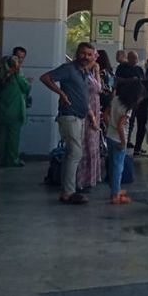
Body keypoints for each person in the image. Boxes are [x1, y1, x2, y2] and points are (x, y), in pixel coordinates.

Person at [40, 42, 97, 205]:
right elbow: (45, 78)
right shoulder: (69, 69)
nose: (85, 57)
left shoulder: (84, 72)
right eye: (83, 53)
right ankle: (68, 192)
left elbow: (83, 96)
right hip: (69, 116)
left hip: (80, 117)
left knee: (70, 154)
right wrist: (61, 93)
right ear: (77, 53)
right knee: (75, 153)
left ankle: (67, 188)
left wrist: (91, 114)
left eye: (89, 54)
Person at [103, 78, 144, 204]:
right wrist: (123, 141)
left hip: (109, 136)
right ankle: (115, 195)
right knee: (118, 167)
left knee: (112, 165)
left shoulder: (115, 100)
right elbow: (121, 126)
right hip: (118, 139)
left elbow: (105, 115)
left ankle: (115, 189)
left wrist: (109, 126)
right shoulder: (127, 109)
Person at [0, 54, 31, 167]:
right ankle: (12, 159)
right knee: (13, 138)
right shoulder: (16, 77)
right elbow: (26, 87)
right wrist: (27, 80)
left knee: (1, 137)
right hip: (15, 112)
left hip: (1, 111)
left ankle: (1, 159)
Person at [77, 52, 102, 191]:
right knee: (86, 146)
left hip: (95, 111)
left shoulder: (90, 75)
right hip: (88, 113)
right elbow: (83, 97)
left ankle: (91, 179)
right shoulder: (82, 77)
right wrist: (92, 116)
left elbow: (99, 88)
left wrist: (96, 71)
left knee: (93, 147)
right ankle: (82, 180)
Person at [116, 51, 146, 149]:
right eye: (133, 58)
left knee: (138, 122)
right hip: (126, 99)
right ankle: (125, 139)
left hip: (138, 99)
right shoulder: (122, 68)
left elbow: (143, 80)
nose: (135, 61)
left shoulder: (139, 69)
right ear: (128, 58)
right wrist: (129, 80)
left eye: (136, 58)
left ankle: (135, 144)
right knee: (127, 120)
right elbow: (117, 79)